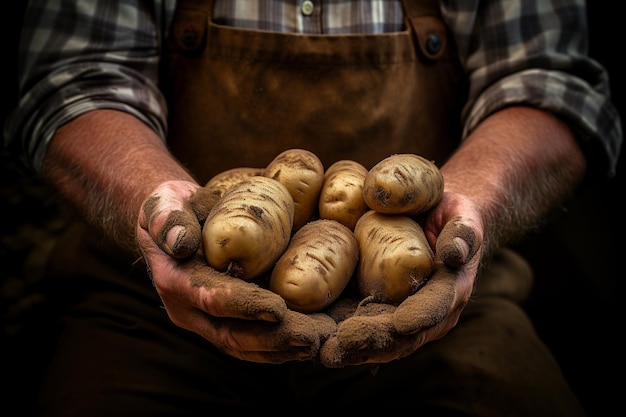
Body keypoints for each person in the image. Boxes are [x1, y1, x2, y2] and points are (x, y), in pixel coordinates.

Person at [3, 0, 622, 415]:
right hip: (145, 297)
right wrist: (159, 205)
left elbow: (550, 83)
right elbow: (74, 78)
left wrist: (466, 205)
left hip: (446, 290)